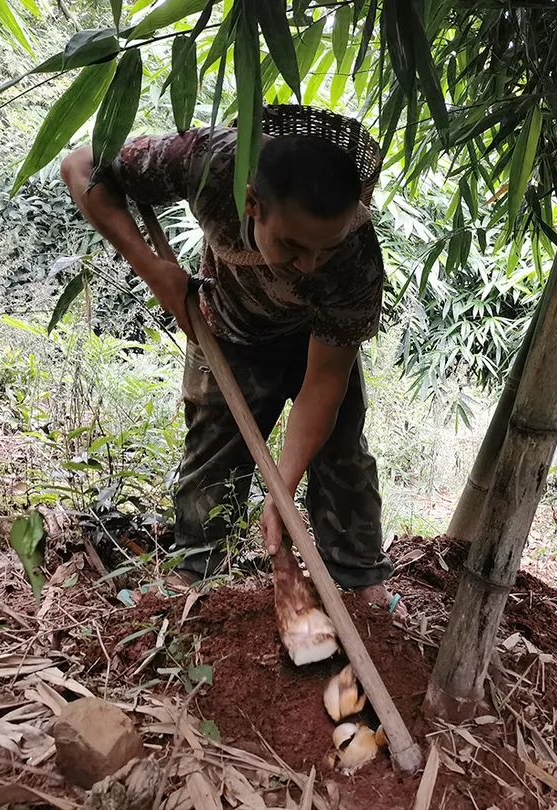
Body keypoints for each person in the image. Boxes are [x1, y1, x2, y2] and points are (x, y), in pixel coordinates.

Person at [61, 105, 397, 610]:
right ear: (252, 202)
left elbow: (323, 384)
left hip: (315, 340)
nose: (307, 265)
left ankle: (358, 581)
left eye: (323, 250)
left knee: (342, 454)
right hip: (227, 329)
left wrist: (281, 491)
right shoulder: (208, 164)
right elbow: (81, 166)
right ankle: (192, 575)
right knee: (213, 455)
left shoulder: (357, 261)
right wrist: (153, 269)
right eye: (292, 244)